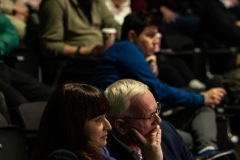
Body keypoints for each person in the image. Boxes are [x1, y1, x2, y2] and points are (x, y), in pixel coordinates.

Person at [93, 11, 234, 157]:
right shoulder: (125, 48)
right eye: (149, 35)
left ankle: (208, 151)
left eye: (156, 35)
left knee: (199, 112)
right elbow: (158, 90)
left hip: (142, 115)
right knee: (182, 134)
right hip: (126, 120)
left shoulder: (129, 51)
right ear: (132, 35)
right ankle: (207, 151)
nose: (155, 41)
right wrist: (202, 98)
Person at [31, 83, 163, 160]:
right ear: (74, 125)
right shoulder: (62, 158)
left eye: (105, 117)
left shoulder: (101, 152)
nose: (109, 126)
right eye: (98, 120)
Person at [0, 12, 51, 126]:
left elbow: (11, 31)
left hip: (3, 65)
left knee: (47, 95)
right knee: (20, 105)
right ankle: (16, 141)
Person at [39, 0, 121, 56]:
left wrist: (131, 33)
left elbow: (111, 23)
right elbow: (49, 45)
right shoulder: (55, 3)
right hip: (73, 65)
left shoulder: (97, 2)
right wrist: (86, 50)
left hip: (97, 59)